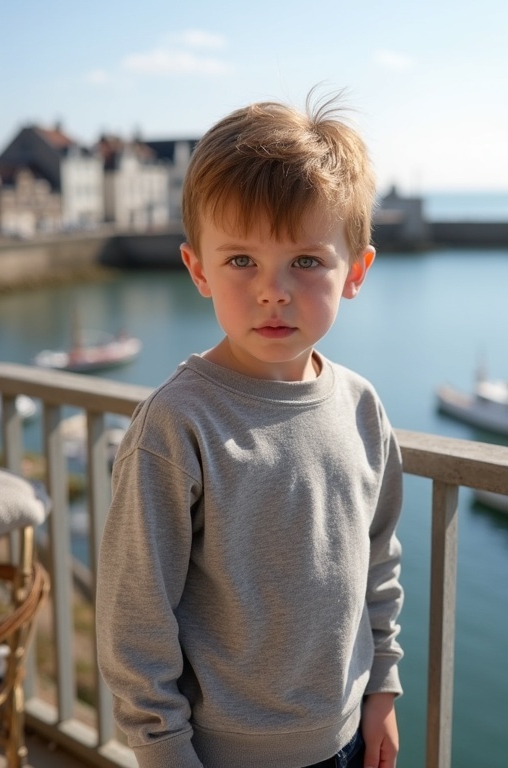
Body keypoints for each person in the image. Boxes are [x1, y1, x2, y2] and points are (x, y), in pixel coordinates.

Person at [96, 91, 404, 768]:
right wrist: (163, 750)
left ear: (354, 270)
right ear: (198, 269)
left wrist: (382, 687)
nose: (274, 290)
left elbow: (377, 560)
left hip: (348, 737)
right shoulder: (178, 425)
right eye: (241, 261)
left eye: (306, 261)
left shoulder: (362, 407)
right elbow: (135, 618)